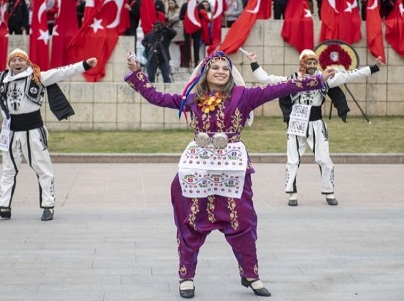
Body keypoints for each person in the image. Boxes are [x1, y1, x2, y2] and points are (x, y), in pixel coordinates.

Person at [124, 50, 334, 299]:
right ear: (205, 72)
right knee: (190, 220)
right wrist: (137, 73)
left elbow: (280, 88)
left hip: (233, 170)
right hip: (199, 168)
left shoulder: (244, 96)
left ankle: (251, 274)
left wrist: (318, 79)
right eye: (215, 67)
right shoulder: (192, 98)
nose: (221, 71)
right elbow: (157, 97)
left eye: (226, 67)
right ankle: (186, 277)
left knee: (242, 221)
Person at [0, 38, 97, 221]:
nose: (17, 62)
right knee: (8, 169)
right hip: (12, 131)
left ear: (27, 62)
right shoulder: (1, 78)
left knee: (43, 169)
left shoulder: (38, 77)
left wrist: (85, 65)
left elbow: (63, 72)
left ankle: (48, 206)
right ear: (9, 63)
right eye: (13, 60)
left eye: (20, 60)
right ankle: (4, 206)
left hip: (34, 130)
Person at [249, 49, 382, 207]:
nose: (311, 66)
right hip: (296, 123)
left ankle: (329, 191)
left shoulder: (324, 78)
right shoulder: (291, 80)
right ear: (302, 63)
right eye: (308, 62)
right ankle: (292, 193)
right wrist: (253, 62)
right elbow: (267, 79)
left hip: (316, 123)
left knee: (324, 159)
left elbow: (349, 75)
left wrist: (373, 67)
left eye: (314, 62)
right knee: (293, 159)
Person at [166, 0, 184, 69]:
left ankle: (176, 63)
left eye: (172, 3)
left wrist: (167, 18)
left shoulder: (178, 10)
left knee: (176, 48)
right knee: (171, 48)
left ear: (175, 3)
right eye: (169, 3)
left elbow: (175, 18)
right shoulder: (169, 11)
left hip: (177, 31)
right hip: (170, 31)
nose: (170, 4)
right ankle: (173, 62)